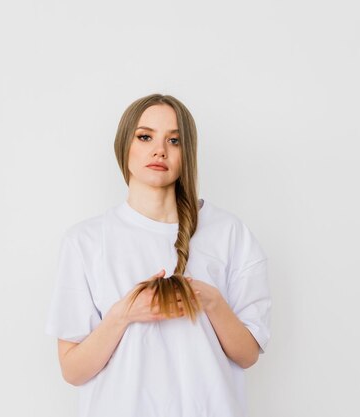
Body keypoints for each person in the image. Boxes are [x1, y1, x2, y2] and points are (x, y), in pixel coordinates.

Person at [45, 93, 271, 417]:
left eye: (174, 140)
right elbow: (72, 370)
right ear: (125, 145)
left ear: (187, 152)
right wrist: (124, 315)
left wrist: (211, 302)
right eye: (145, 136)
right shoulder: (85, 241)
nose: (159, 150)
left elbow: (247, 354)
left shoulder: (230, 234)